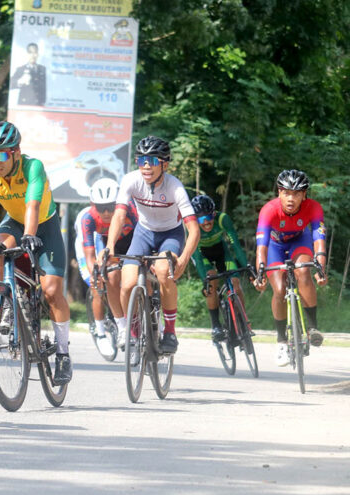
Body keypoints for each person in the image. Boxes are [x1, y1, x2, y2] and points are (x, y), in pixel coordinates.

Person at [0, 121, 73, 384]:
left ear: (16, 153)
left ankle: (64, 354)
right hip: (15, 221)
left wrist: (31, 235)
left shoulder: (33, 167)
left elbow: (32, 205)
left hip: (45, 224)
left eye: (0, 155)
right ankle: (6, 301)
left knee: (52, 292)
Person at [99, 136, 199, 357]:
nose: (146, 166)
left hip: (170, 235)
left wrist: (182, 259)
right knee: (127, 283)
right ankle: (133, 332)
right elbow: (119, 215)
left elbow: (194, 230)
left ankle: (170, 332)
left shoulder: (175, 187)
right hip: (143, 233)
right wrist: (109, 245)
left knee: (163, 272)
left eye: (152, 161)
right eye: (141, 160)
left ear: (164, 164)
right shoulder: (130, 180)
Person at [253, 169, 327, 366]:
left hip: (299, 242)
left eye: (296, 193)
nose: (290, 198)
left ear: (304, 195)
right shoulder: (269, 210)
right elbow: (262, 248)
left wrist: (321, 269)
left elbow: (319, 241)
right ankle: (281, 341)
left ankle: (312, 327)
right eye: (286, 192)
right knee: (278, 289)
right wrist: (260, 273)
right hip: (275, 247)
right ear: (279, 193)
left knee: (303, 271)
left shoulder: (313, 208)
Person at [80, 178, 138, 345]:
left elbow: (145, 232)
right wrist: (95, 275)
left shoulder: (130, 208)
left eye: (110, 207)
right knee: (110, 278)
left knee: (144, 275)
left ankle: (154, 318)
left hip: (134, 240)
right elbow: (90, 255)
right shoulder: (88, 219)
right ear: (93, 204)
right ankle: (122, 327)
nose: (106, 213)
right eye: (101, 207)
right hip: (110, 244)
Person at [189, 195, 249, 342]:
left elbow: (235, 245)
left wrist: (247, 266)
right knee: (211, 282)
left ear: (214, 214)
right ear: (195, 220)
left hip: (221, 251)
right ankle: (215, 325)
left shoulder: (223, 219)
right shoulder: (191, 227)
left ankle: (242, 320)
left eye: (209, 217)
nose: (207, 222)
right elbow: (196, 255)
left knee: (235, 283)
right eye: (201, 219)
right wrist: (205, 279)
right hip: (202, 255)